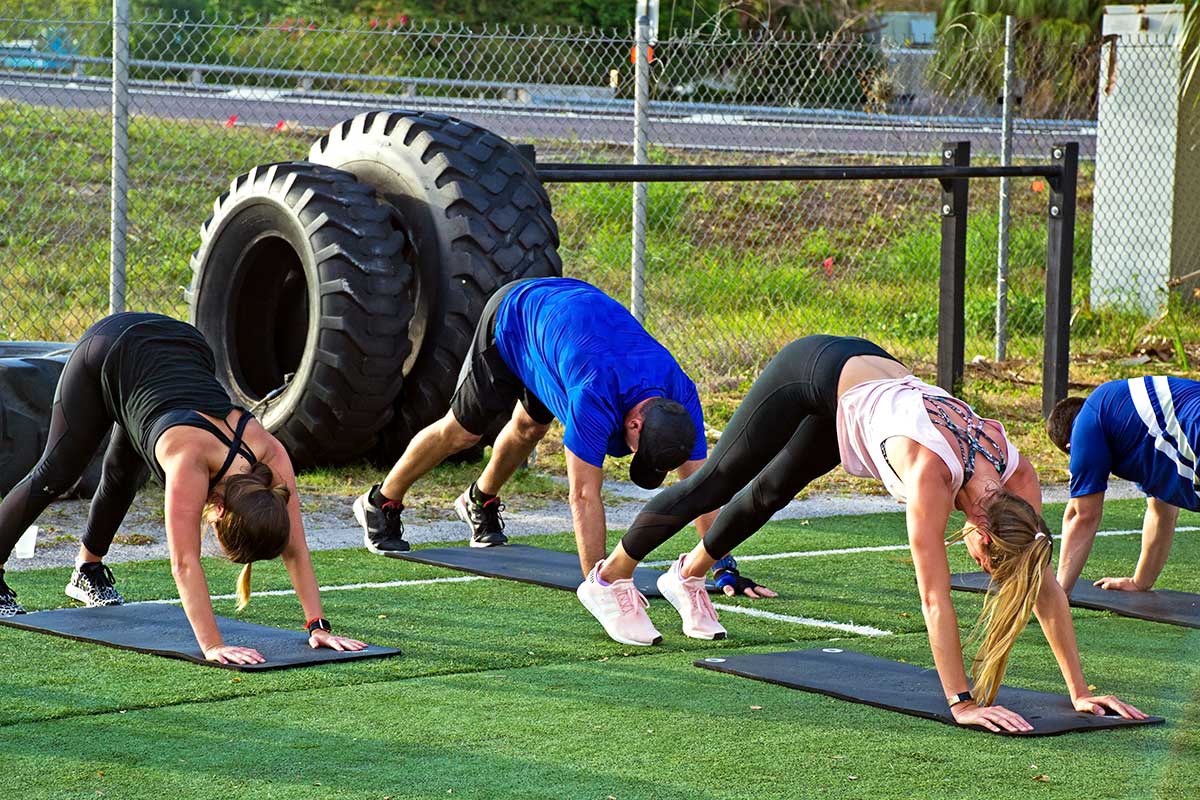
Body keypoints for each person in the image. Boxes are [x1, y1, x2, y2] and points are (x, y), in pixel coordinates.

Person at [581, 334, 1145, 732]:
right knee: (716, 482)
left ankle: (688, 577)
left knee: (771, 493)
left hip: (873, 385)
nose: (984, 569)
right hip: (820, 368)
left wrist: (1079, 689)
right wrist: (961, 701)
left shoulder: (1016, 472)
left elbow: (1040, 575)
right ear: (981, 530)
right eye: (989, 564)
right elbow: (933, 596)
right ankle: (609, 577)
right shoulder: (932, 475)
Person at [354, 278, 754, 629]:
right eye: (638, 451)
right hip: (515, 318)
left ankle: (479, 501)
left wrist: (722, 563)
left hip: (566, 330)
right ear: (633, 425)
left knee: (530, 427)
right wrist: (600, 587)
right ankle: (381, 501)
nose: (635, 457)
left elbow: (701, 486)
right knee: (462, 433)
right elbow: (583, 495)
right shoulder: (595, 395)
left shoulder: (680, 392)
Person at [0, 313, 366, 665]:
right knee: (57, 472)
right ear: (218, 511)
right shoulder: (188, 461)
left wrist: (317, 626)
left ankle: (88, 570)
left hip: (182, 348)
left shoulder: (270, 454)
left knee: (124, 473)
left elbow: (296, 547)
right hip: (110, 347)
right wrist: (212, 644)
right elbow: (184, 562)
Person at [1048, 376, 1200, 593]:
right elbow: (1161, 512)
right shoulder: (1129, 422)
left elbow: (1082, 515)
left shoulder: (1086, 423)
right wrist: (1140, 582)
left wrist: (1058, 595)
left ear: (1071, 446)